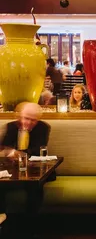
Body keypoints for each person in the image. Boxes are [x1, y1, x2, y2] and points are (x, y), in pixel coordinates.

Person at [0, 102, 52, 238]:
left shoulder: (43, 128)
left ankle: (29, 228)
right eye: (25, 118)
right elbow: (4, 147)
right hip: (13, 170)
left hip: (35, 169)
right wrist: (9, 152)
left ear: (37, 120)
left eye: (32, 120)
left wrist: (19, 153)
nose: (28, 122)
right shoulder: (11, 127)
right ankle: (3, 223)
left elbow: (38, 148)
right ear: (19, 116)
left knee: (35, 187)